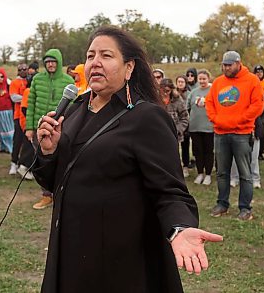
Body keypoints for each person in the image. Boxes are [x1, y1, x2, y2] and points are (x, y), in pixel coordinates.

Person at [34, 26, 223, 292]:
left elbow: (170, 191)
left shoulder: (146, 118)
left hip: (119, 256)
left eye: (106, 56)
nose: (95, 62)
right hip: (70, 246)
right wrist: (49, 151)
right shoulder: (75, 110)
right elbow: (57, 181)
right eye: (90, 56)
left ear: (129, 68)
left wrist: (180, 228)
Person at [205, 51, 264, 220]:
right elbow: (210, 103)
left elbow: (257, 105)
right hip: (220, 133)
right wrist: (216, 119)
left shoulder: (252, 80)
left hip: (242, 134)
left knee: (245, 173)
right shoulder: (218, 82)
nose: (226, 68)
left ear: (239, 63)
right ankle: (222, 204)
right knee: (222, 172)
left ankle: (245, 208)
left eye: (229, 65)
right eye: (224, 65)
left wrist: (238, 120)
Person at [25, 48, 74, 210]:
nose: (50, 64)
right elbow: (30, 104)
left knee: (63, 161)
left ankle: (62, 193)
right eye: (47, 62)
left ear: (59, 63)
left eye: (53, 61)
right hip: (41, 130)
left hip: (61, 130)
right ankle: (46, 195)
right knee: (42, 162)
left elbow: (73, 108)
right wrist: (29, 127)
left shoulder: (68, 81)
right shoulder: (37, 80)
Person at [187, 69, 214, 185]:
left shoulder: (213, 90)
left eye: (204, 79)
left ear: (208, 79)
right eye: (200, 79)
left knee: (208, 151)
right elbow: (187, 107)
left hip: (209, 127)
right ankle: (199, 173)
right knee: (198, 151)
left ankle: (208, 174)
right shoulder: (193, 92)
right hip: (195, 127)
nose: (202, 81)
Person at [9, 63, 28, 175]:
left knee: (27, 142)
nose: (23, 71)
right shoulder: (15, 82)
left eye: (25, 69)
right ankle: (13, 162)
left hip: (29, 115)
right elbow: (14, 97)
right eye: (20, 69)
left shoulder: (31, 80)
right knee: (17, 140)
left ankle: (24, 163)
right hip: (18, 114)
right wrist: (27, 97)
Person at [159, 78, 189, 148]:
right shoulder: (155, 99)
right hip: (159, 135)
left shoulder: (177, 99)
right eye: (163, 91)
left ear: (172, 89)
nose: (165, 93)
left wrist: (178, 129)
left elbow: (185, 117)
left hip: (174, 136)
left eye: (167, 91)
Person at [0, 68, 14, 154]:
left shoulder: (9, 85)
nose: (0, 78)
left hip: (7, 110)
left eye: (2, 76)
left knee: (8, 129)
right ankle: (2, 146)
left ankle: (10, 147)